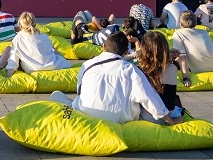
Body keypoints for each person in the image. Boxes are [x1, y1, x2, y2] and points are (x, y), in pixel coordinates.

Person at [49, 32, 182, 125]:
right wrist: (170, 120)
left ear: (104, 47)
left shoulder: (87, 65)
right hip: (120, 117)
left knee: (57, 95)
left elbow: (80, 92)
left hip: (85, 113)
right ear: (125, 52)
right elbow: (148, 98)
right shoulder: (132, 70)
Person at [136, 31, 183, 121]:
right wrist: (166, 56)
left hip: (148, 115)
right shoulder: (171, 68)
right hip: (168, 114)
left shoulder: (138, 69)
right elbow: (169, 103)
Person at [6, 12, 70, 77]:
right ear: (35, 24)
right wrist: (63, 59)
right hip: (54, 65)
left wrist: (8, 77)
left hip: (33, 69)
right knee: (57, 55)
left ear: (20, 26)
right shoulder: (44, 36)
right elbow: (53, 51)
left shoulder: (18, 38)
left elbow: (13, 60)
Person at [173, 11, 213, 87]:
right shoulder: (204, 32)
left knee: (172, 64)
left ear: (180, 24)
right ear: (195, 23)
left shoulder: (178, 34)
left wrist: (186, 78)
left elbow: (183, 57)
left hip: (199, 69)